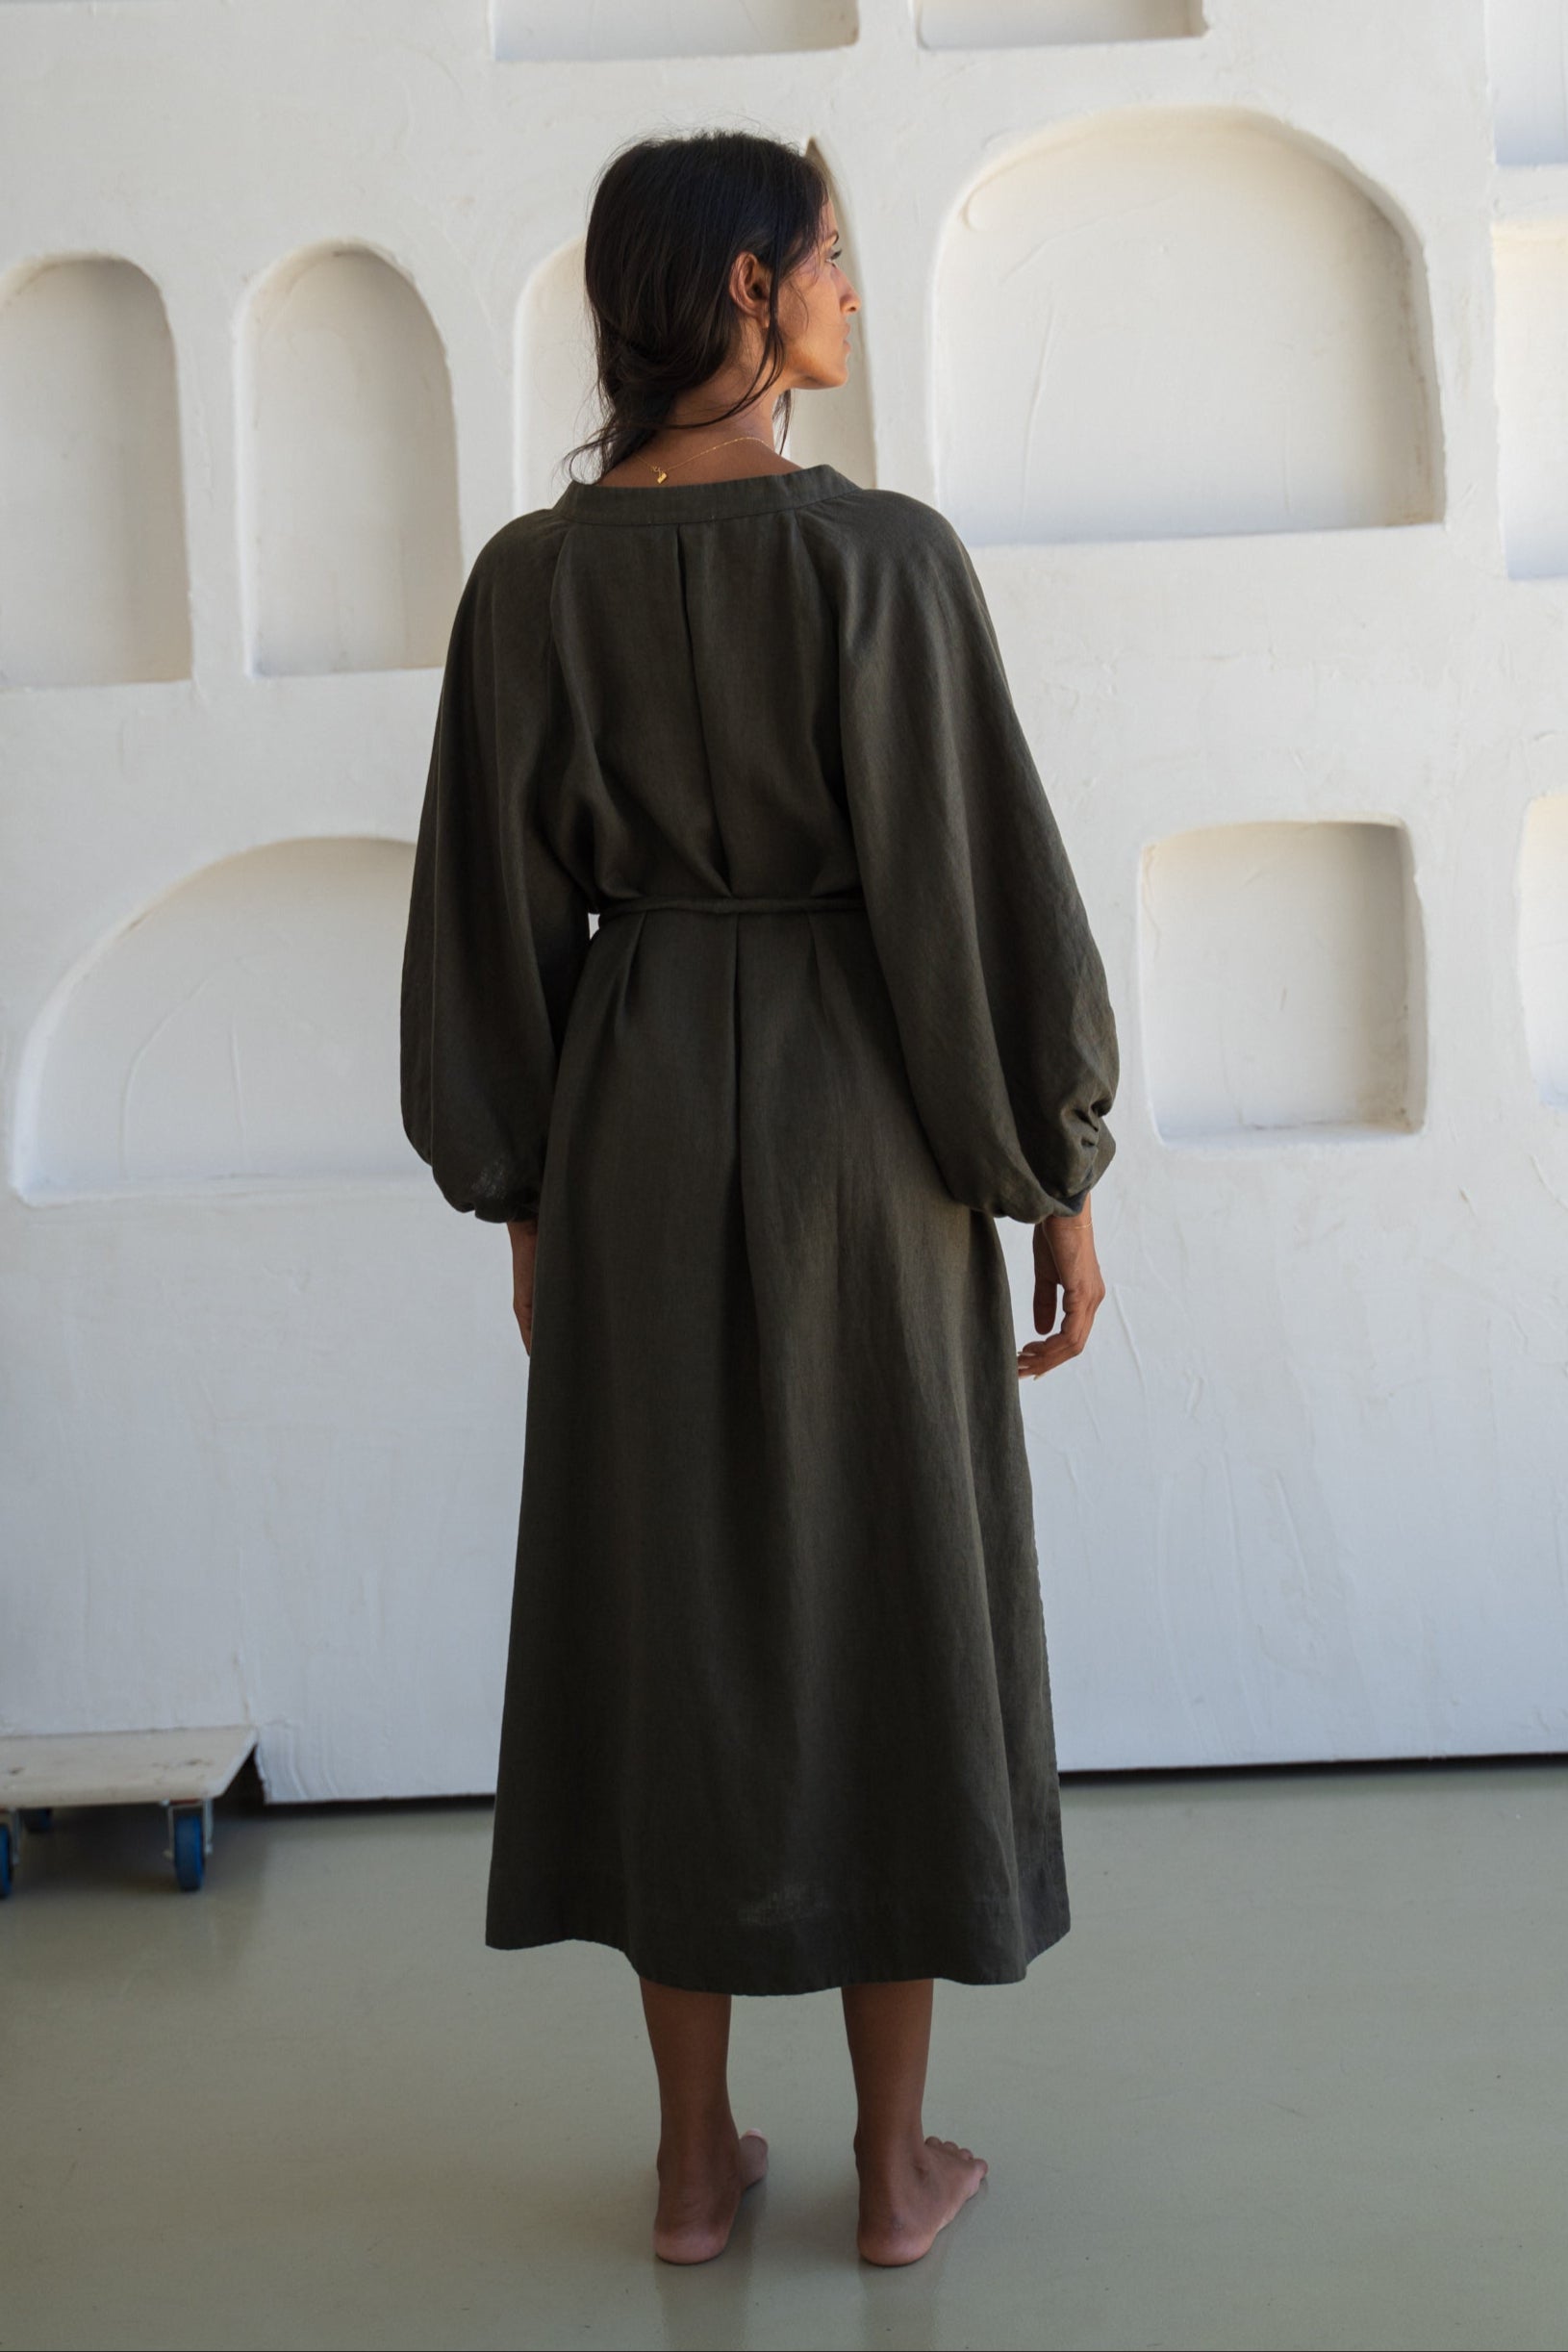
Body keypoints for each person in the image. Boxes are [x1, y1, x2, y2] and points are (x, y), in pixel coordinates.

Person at [400, 127, 1120, 2270]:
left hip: (629, 1120)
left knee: (671, 1611)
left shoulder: (531, 583)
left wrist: (525, 1196)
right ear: (740, 286)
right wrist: (1053, 1174)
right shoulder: (880, 558)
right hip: (861, 1129)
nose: (847, 291)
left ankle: (693, 2163)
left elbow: (482, 918)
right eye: (824, 257)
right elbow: (974, 886)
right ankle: (891, 2169)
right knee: (888, 1589)